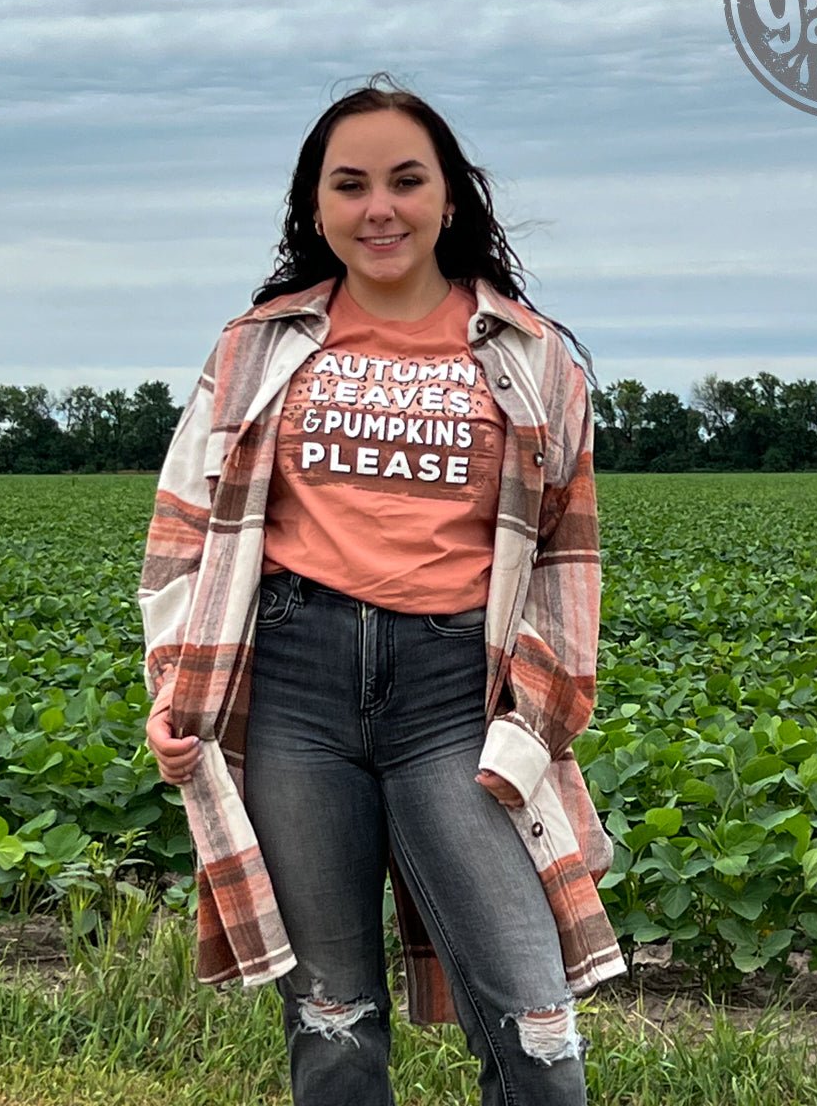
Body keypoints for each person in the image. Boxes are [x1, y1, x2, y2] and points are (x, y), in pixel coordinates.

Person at [140, 75, 624, 1106]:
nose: (379, 208)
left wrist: (534, 722)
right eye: (350, 184)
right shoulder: (255, 347)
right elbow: (183, 529)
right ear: (314, 207)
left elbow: (564, 563)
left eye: (406, 180)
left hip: (455, 696)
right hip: (293, 688)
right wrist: (176, 688)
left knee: (538, 1028)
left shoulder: (532, 357)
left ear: (449, 197)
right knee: (335, 1022)